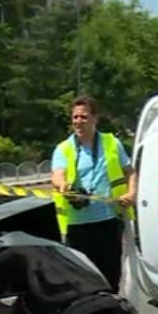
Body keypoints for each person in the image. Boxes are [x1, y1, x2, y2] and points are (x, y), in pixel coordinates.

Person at [50, 95, 137, 294]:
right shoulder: (63, 149)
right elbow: (57, 175)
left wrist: (131, 193)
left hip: (108, 222)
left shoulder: (111, 143)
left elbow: (130, 171)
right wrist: (63, 185)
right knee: (81, 281)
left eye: (84, 117)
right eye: (75, 117)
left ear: (95, 119)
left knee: (110, 280)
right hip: (77, 226)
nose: (78, 122)